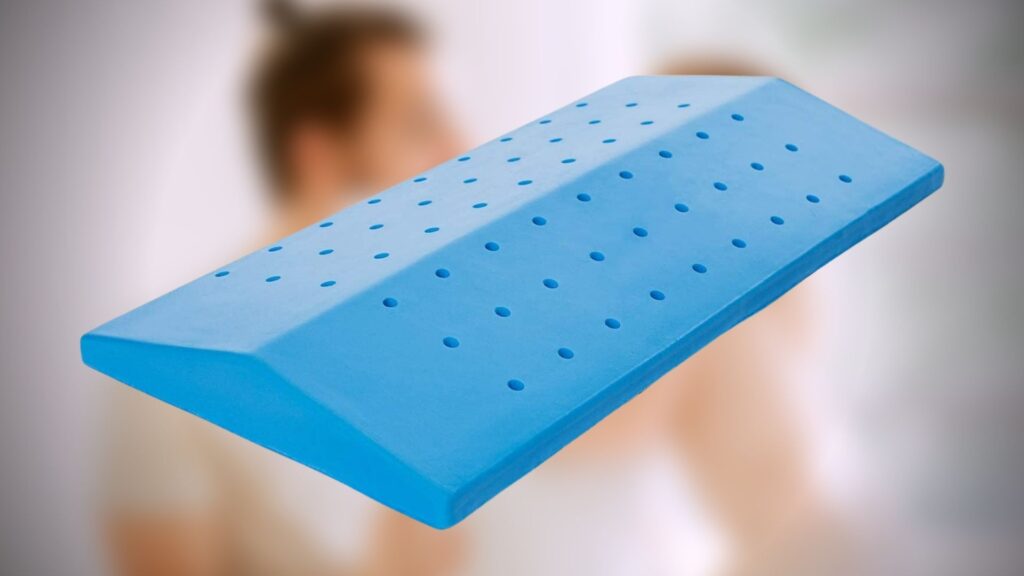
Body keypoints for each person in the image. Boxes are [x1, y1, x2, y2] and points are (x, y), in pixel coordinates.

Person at [103, 3, 845, 575]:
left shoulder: (463, 300)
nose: (458, 148)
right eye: (417, 122)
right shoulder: (171, 376)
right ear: (318, 155)